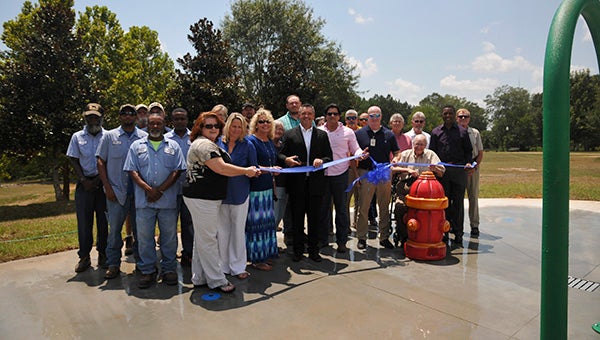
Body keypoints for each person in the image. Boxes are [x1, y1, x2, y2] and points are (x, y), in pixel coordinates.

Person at [183, 111, 260, 293]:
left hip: (207, 198)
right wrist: (245, 171)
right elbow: (221, 168)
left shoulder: (210, 144)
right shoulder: (203, 145)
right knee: (209, 240)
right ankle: (217, 280)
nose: (213, 129)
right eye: (208, 126)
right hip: (202, 198)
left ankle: (199, 276)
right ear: (200, 128)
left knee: (202, 239)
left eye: (216, 125)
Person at [124, 113, 186, 288]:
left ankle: (169, 269)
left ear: (164, 124)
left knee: (169, 238)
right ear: (147, 125)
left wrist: (160, 190)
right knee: (144, 238)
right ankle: (147, 270)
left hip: (167, 202)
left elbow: (177, 170)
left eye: (159, 123)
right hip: (144, 202)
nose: (155, 127)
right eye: (152, 123)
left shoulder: (173, 145)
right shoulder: (136, 146)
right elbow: (132, 171)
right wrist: (148, 189)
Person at [97, 104, 148, 279]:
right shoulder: (109, 137)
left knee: (141, 232)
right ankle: (113, 264)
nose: (128, 116)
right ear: (119, 117)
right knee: (114, 232)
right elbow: (100, 162)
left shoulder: (144, 137)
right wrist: (107, 188)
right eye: (124, 114)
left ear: (136, 117)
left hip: (139, 194)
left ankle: (142, 264)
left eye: (131, 114)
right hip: (116, 193)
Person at [279, 104, 332, 262]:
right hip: (297, 184)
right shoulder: (289, 135)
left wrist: (321, 160)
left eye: (309, 114)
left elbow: (329, 157)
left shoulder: (322, 135)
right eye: (303, 114)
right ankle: (297, 250)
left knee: (314, 219)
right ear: (299, 116)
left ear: (314, 115)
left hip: (316, 184)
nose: (306, 116)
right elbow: (280, 155)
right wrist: (286, 160)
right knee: (297, 219)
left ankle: (314, 251)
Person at [319, 104, 366, 252]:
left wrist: (361, 153)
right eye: (329, 114)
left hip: (341, 175)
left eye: (335, 114)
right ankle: (324, 239)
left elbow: (355, 148)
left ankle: (341, 242)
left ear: (339, 116)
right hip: (323, 175)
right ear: (325, 116)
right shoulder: (319, 131)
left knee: (341, 209)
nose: (332, 116)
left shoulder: (348, 132)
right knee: (324, 209)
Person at [67, 103, 108, 273]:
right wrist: (83, 180)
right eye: (90, 116)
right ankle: (84, 257)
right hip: (84, 184)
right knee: (84, 223)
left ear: (101, 117)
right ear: (85, 117)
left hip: (103, 184)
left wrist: (99, 180)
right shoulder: (77, 137)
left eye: (96, 116)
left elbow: (110, 160)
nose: (93, 119)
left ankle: (104, 254)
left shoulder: (108, 136)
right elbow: (73, 158)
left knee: (104, 222)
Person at [216, 113, 256, 278]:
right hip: (220, 193)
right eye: (234, 126)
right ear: (228, 126)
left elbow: (252, 168)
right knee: (222, 231)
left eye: (240, 127)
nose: (236, 130)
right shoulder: (218, 143)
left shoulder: (248, 145)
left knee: (238, 231)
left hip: (240, 193)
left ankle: (238, 267)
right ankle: (223, 266)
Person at [354, 106, 400, 250]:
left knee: (384, 206)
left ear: (381, 116)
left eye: (377, 115)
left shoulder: (389, 134)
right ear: (367, 117)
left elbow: (397, 152)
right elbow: (353, 153)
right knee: (364, 207)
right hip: (366, 172)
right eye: (371, 115)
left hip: (384, 173)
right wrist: (356, 174)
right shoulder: (359, 133)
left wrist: (396, 159)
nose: (374, 118)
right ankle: (361, 237)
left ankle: (384, 237)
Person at [429, 105, 474, 246]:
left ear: (454, 115)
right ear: (442, 115)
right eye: (445, 113)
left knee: (458, 204)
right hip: (442, 173)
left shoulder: (462, 132)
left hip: (459, 173)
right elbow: (432, 153)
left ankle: (458, 234)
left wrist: (468, 163)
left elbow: (468, 152)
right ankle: (444, 232)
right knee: (444, 204)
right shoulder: (436, 132)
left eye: (450, 113)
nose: (447, 115)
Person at [391, 134, 445, 246]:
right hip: (406, 188)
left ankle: (425, 234)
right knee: (399, 207)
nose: (418, 147)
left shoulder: (431, 155)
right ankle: (403, 234)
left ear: (425, 145)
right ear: (412, 144)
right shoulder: (405, 154)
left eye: (421, 144)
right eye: (416, 144)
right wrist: (407, 170)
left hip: (425, 191)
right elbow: (392, 168)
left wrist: (435, 169)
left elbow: (442, 172)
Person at [246, 109, 279, 270]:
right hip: (256, 190)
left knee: (267, 223)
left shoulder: (270, 141)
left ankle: (266, 253)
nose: (265, 124)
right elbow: (253, 166)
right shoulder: (251, 141)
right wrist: (272, 169)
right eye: (261, 122)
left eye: (267, 121)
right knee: (257, 225)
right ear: (255, 124)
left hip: (267, 188)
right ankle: (256, 259)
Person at [164, 108, 194, 266]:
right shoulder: (165, 138)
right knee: (169, 225)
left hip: (189, 189)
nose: (180, 121)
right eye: (176, 119)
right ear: (172, 121)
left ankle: (188, 253)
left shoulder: (194, 137)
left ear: (187, 120)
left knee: (189, 224)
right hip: (170, 189)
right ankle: (168, 257)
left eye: (182, 118)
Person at [457, 108, 484, 237]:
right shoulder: (453, 132)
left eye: (465, 116)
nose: (463, 119)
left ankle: (474, 225)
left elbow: (480, 153)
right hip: (458, 168)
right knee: (457, 199)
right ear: (456, 118)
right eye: (460, 116)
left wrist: (475, 167)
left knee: (473, 197)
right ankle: (456, 225)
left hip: (472, 168)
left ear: (469, 118)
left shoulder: (475, 133)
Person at [344, 109, 361, 231]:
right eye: (349, 118)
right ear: (345, 120)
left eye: (353, 118)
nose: (351, 120)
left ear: (357, 119)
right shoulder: (343, 131)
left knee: (360, 199)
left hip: (361, 169)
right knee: (346, 199)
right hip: (347, 170)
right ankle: (346, 225)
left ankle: (357, 223)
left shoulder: (362, 132)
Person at [272, 120, 287, 232]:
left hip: (284, 183)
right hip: (273, 184)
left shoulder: (283, 145)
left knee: (281, 213)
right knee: (275, 213)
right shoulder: (267, 144)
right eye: (276, 128)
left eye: (281, 129)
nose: (278, 131)